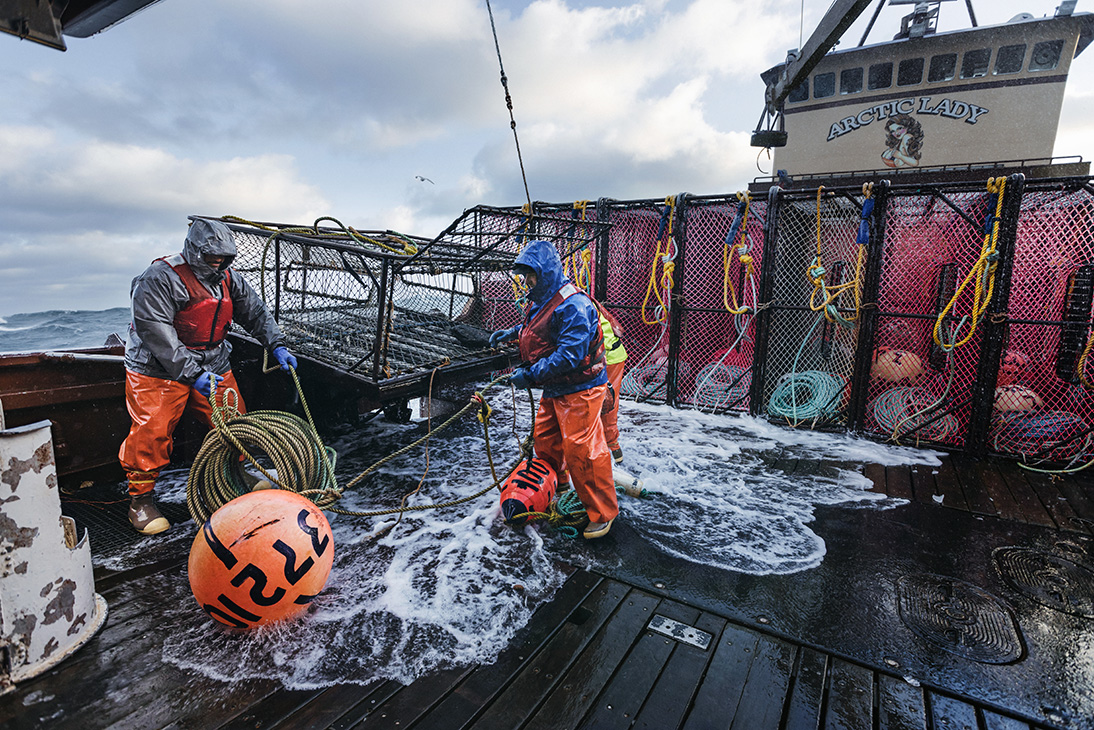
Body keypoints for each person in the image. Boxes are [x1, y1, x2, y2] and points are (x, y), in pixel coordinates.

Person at [118, 218, 297, 535]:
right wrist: (193, 374)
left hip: (213, 360)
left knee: (234, 421)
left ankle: (236, 474)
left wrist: (277, 344)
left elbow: (255, 312)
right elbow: (156, 333)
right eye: (211, 256)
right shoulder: (159, 278)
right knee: (152, 431)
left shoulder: (229, 279)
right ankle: (140, 500)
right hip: (158, 368)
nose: (217, 263)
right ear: (193, 251)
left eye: (223, 257)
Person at [489, 239, 619, 539]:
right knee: (546, 440)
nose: (526, 282)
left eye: (530, 275)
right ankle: (555, 487)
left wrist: (530, 376)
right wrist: (512, 334)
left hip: (581, 389)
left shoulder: (573, 305)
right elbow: (540, 329)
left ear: (545, 271)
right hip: (556, 387)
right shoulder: (543, 298)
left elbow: (570, 355)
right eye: (524, 276)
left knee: (583, 450)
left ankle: (603, 512)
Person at [598, 309, 628, 464]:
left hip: (606, 358)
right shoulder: (580, 297)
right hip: (609, 355)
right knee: (608, 402)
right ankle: (614, 449)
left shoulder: (565, 301)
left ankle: (610, 447)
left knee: (606, 403)